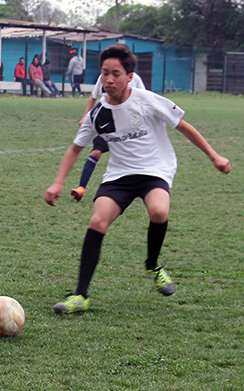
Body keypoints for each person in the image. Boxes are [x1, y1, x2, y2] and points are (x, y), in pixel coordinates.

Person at [44, 44, 231, 314]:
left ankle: (153, 265)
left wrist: (214, 156)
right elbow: (75, 148)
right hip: (120, 174)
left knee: (158, 210)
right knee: (97, 221)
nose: (109, 79)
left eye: (116, 74)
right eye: (105, 73)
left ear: (129, 76)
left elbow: (184, 127)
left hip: (155, 169)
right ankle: (80, 295)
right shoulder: (97, 113)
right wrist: (58, 182)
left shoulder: (147, 100)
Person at [70, 73, 146, 201]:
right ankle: (81, 188)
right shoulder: (103, 77)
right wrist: (85, 117)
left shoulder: (134, 78)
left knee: (132, 155)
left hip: (127, 124)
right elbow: (93, 98)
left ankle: (140, 188)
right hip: (106, 121)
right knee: (96, 152)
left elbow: (144, 99)